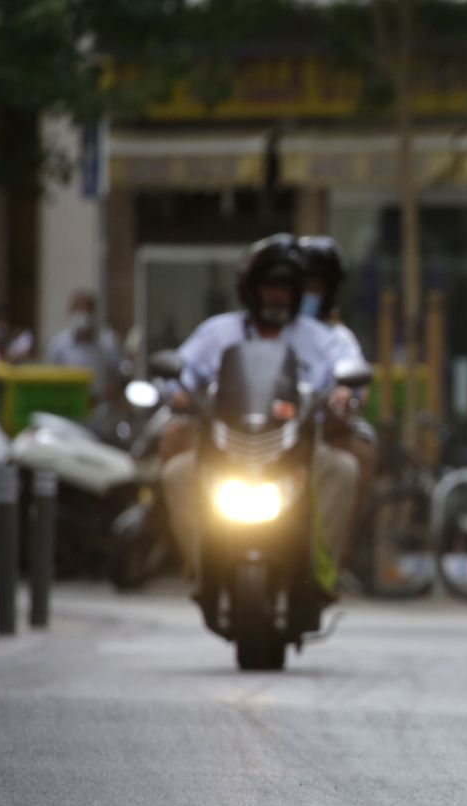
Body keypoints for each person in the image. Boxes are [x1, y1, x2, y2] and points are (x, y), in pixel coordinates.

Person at [159, 234, 367, 599]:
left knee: (343, 469)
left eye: (285, 288)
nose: (277, 296)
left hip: (297, 451)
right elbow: (182, 371)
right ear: (250, 290)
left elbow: (349, 375)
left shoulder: (320, 338)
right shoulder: (217, 332)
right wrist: (177, 392)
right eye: (269, 287)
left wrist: (344, 393)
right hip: (225, 452)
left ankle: (321, 573)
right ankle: (202, 566)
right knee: (177, 474)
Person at [297, 235, 378, 541]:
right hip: (262, 436)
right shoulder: (266, 327)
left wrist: (346, 395)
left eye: (316, 287)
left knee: (357, 455)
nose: (308, 293)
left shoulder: (335, 337)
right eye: (303, 285)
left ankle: (331, 554)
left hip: (318, 435)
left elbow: (358, 385)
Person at [45, 290, 123, 399]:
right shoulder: (58, 344)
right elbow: (50, 376)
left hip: (100, 401)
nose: (83, 314)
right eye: (78, 309)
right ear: (70, 312)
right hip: (68, 401)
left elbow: (118, 372)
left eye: (88, 309)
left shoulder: (108, 341)